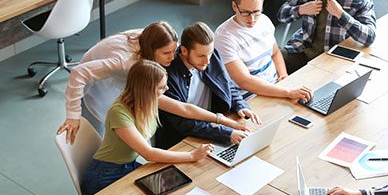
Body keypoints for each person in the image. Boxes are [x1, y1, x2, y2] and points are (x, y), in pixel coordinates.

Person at [57, 21, 247, 143]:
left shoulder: (156, 46)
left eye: (174, 51)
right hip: (96, 79)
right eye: (166, 53)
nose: (173, 58)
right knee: (99, 134)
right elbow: (79, 73)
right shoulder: (125, 61)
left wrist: (221, 121)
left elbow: (182, 108)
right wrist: (72, 115)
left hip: (130, 74)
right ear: (152, 50)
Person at [79, 59, 214, 195]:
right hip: (104, 175)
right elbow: (149, 154)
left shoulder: (148, 98)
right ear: (146, 89)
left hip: (128, 166)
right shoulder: (119, 112)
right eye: (162, 87)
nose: (166, 89)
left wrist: (222, 120)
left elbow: (185, 109)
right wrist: (192, 156)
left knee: (172, 187)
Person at [154, 22, 261, 150]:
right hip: (184, 140)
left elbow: (227, 85)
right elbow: (183, 123)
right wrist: (226, 133)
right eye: (201, 56)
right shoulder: (166, 77)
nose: (208, 61)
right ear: (184, 50)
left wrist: (240, 105)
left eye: (209, 53)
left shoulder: (210, 54)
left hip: (212, 128)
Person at [214, 0, 312, 102]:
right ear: (234, 6)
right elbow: (244, 81)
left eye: (256, 12)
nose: (252, 19)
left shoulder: (264, 21)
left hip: (277, 87)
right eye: (245, 12)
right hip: (251, 97)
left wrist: (283, 76)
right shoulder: (224, 37)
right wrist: (287, 92)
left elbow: (275, 52)